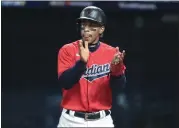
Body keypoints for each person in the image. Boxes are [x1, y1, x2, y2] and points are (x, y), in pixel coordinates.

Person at [57, 6, 126, 127]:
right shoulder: (67, 50)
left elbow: (119, 88)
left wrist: (116, 71)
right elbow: (65, 83)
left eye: (91, 25)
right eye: (84, 25)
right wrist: (82, 63)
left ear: (101, 29)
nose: (86, 29)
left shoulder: (111, 53)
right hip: (71, 120)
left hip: (101, 120)